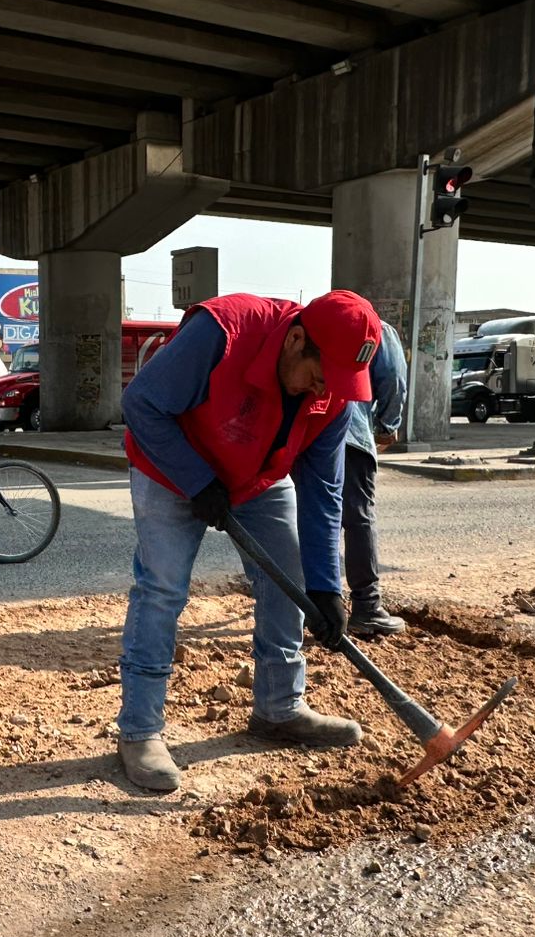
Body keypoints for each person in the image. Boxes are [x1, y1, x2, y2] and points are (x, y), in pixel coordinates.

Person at [117, 289, 381, 793]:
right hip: (171, 467)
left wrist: (326, 586)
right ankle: (140, 731)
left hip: (255, 478)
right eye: (318, 375)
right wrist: (197, 480)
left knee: (290, 581)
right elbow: (142, 404)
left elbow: (323, 492)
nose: (320, 391)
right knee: (164, 589)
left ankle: (279, 709)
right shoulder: (224, 330)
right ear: (296, 340)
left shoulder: (334, 395)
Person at [341, 320, 407, 637]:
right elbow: (394, 378)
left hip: (309, 432)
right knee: (358, 517)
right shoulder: (378, 329)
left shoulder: (311, 323)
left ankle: (304, 607)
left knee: (314, 517)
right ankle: (366, 607)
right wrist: (387, 424)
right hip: (351, 433)